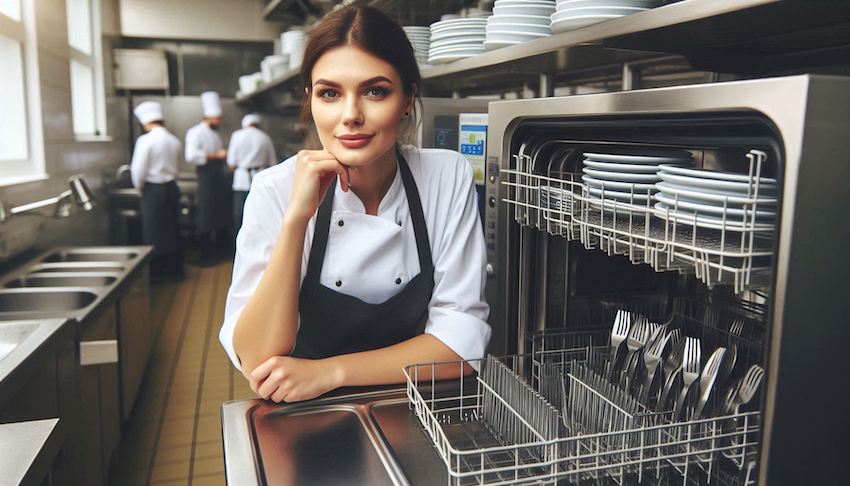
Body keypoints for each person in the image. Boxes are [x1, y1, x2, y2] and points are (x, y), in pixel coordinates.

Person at [219, 4, 490, 404]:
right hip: (300, 412)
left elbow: (460, 342)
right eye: (330, 93)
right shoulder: (274, 189)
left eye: (375, 91)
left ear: (408, 98)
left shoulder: (445, 177)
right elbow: (258, 359)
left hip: (412, 404)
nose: (350, 116)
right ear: (310, 100)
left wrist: (332, 372)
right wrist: (296, 219)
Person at [130, 101, 183, 278]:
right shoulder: (173, 140)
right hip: (172, 188)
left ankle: (156, 274)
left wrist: (139, 188)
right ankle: (174, 271)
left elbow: (138, 171)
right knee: (172, 230)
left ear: (145, 122)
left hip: (154, 191)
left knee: (153, 232)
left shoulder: (146, 140)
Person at [185, 91, 230, 263]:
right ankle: (205, 254)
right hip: (205, 175)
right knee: (205, 212)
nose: (219, 121)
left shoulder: (215, 134)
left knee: (218, 212)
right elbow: (191, 156)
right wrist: (217, 155)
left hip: (217, 175)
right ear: (209, 117)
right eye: (217, 118)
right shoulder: (195, 133)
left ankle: (217, 251)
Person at [227, 113, 277, 236]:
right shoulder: (265, 137)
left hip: (241, 180)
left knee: (239, 215)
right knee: (258, 215)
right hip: (260, 179)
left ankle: (236, 246)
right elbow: (273, 163)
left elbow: (231, 162)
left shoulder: (237, 136)